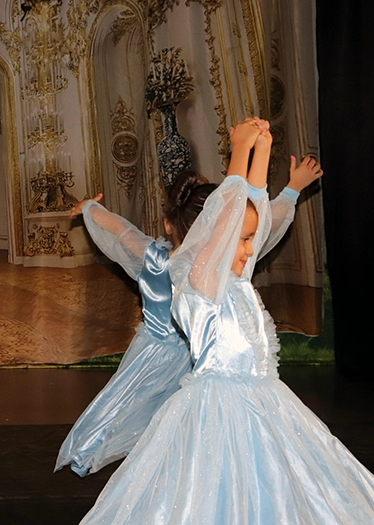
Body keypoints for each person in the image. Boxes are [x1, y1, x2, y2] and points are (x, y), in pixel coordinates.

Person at [79, 119, 374, 524]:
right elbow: (227, 217)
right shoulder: (198, 281)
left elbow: (255, 212)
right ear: (213, 240)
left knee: (277, 482)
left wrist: (263, 151)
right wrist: (239, 152)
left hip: (265, 401)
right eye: (243, 241)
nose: (251, 250)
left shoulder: (235, 278)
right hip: (220, 406)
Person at [56, 151, 321, 477]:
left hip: (160, 355)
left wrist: (89, 208)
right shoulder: (224, 263)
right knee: (186, 413)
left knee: (131, 406)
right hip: (203, 354)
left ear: (169, 224)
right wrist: (293, 188)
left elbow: (119, 230)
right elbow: (270, 220)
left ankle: (97, 451)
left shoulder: (155, 259)